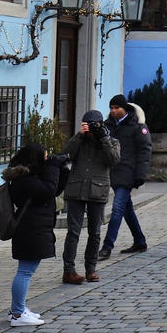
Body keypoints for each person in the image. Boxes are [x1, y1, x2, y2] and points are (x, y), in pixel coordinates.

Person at [4, 142, 69, 326]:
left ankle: (18, 309)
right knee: (25, 271)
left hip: (33, 228)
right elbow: (47, 191)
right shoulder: (24, 180)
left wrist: (62, 170)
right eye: (45, 158)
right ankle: (17, 314)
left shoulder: (29, 177)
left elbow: (53, 190)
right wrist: (53, 168)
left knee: (26, 270)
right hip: (30, 230)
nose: (47, 161)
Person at [60, 110, 120, 284]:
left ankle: (91, 269)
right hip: (76, 190)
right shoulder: (79, 140)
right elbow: (66, 154)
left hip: (97, 191)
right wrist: (79, 135)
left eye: (94, 124)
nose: (92, 128)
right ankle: (69, 270)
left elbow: (114, 159)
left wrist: (103, 139)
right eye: (88, 124)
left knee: (95, 233)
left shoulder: (111, 141)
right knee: (73, 232)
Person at [100, 94, 152, 258]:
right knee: (126, 209)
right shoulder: (107, 126)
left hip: (127, 173)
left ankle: (107, 246)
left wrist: (140, 175)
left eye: (117, 108)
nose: (113, 111)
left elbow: (145, 151)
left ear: (124, 109)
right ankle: (140, 241)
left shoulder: (137, 126)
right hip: (111, 172)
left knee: (117, 209)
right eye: (111, 108)